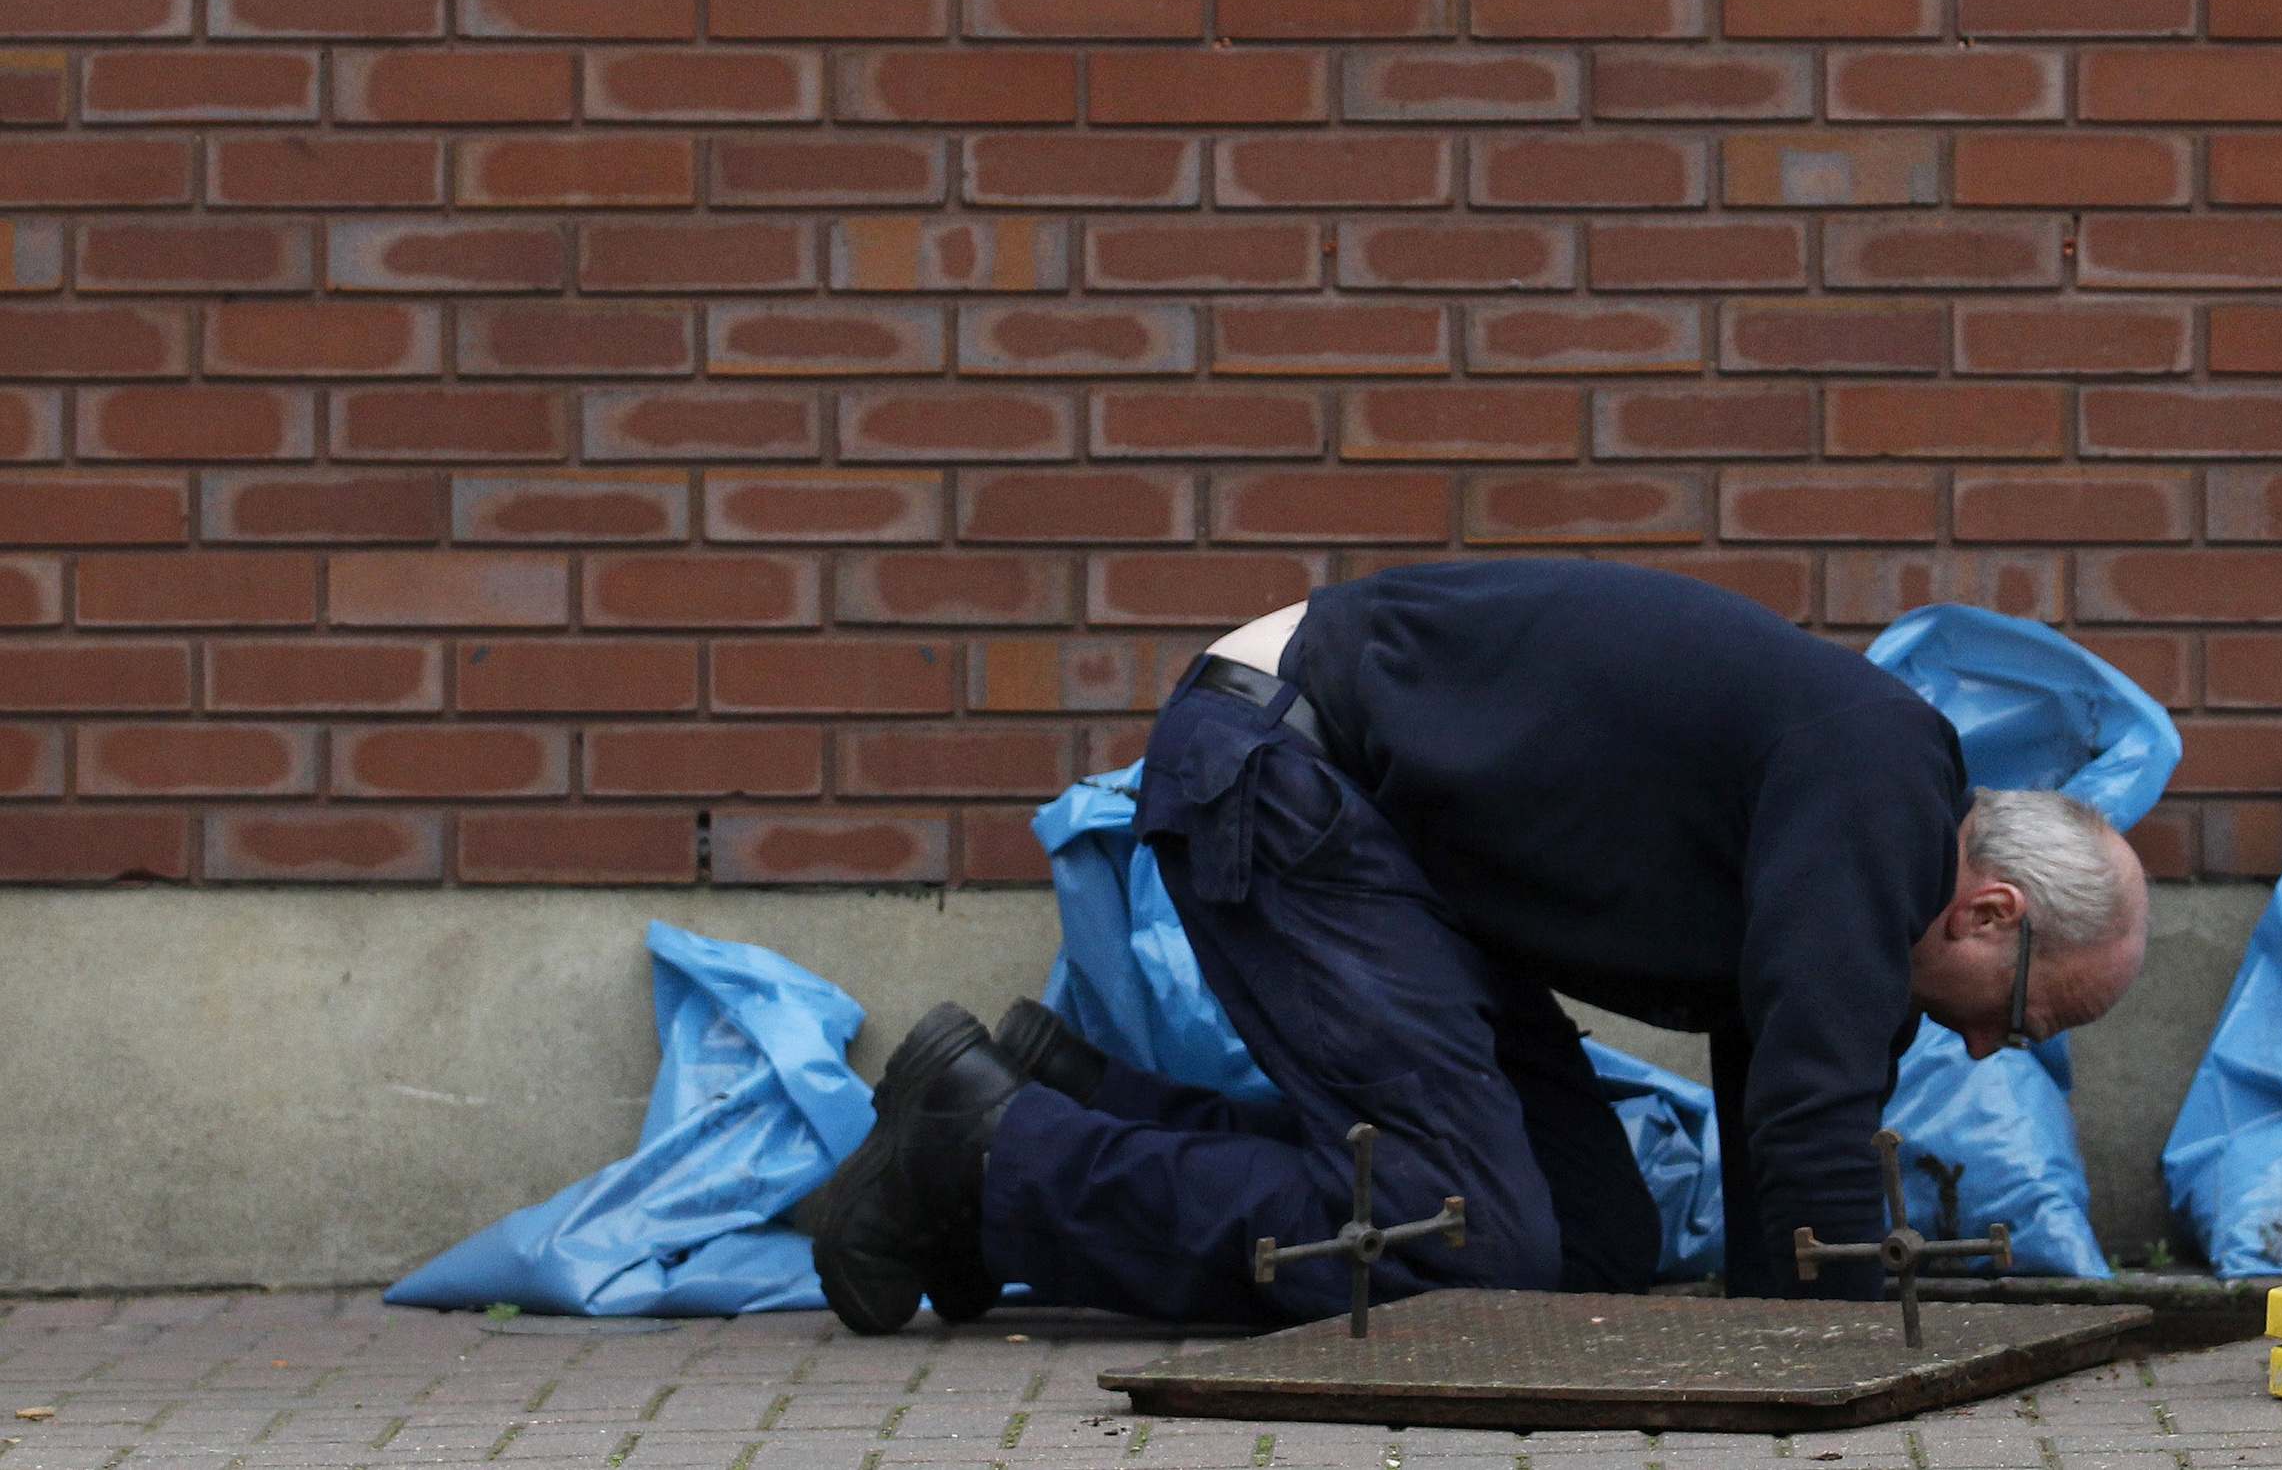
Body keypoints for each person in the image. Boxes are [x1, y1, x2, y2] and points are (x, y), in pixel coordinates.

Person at [805, 558, 2151, 1333]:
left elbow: (1780, 1106)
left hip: (1375, 825)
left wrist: (1787, 1321)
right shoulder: (1884, 791)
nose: (1988, 1047)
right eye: (2021, 1015)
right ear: (1992, 912)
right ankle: (991, 1158)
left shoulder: (1858, 821)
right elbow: (1813, 1110)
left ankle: (1074, 1102)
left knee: (1591, 1244)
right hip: (1284, 764)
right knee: (1468, 1246)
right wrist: (1846, 1371)